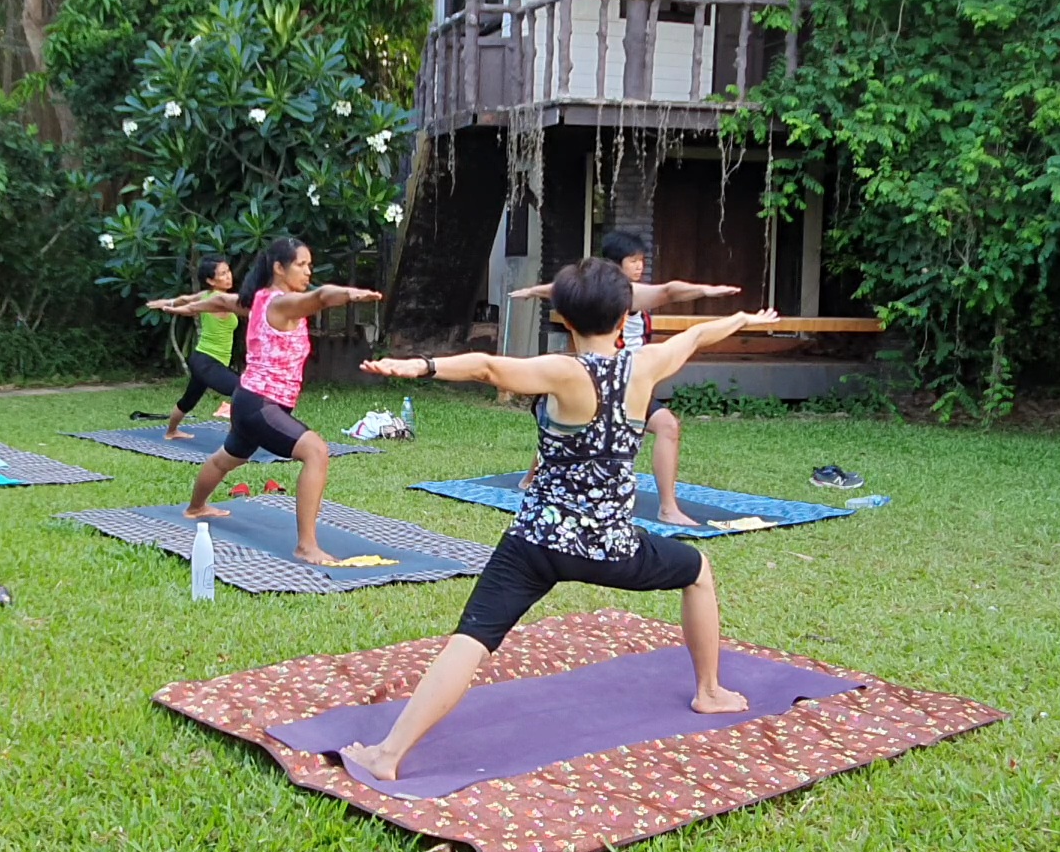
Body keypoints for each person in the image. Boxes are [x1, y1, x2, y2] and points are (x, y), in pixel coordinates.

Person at [341, 258, 777, 781]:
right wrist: (747, 320)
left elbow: (487, 367)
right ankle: (710, 691)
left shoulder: (562, 371)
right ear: (624, 319)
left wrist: (423, 366)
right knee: (698, 569)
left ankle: (388, 755)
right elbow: (703, 333)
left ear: (564, 321)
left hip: (535, 542)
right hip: (610, 547)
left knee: (471, 640)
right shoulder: (646, 364)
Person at [162, 236, 382, 565]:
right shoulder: (281, 303)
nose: (308, 271)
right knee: (316, 452)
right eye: (301, 265)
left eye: (310, 265)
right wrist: (351, 294)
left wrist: (185, 305)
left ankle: (196, 508)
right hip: (261, 405)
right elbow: (321, 297)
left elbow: (222, 302)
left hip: (250, 400)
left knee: (227, 459)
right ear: (279, 268)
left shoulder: (260, 298)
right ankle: (306, 545)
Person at [510, 230, 741, 526]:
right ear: (615, 264)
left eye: (641, 261)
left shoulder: (626, 292)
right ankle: (533, 477)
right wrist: (532, 292)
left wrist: (705, 291)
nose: (639, 267)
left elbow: (669, 291)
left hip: (627, 381)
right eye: (633, 261)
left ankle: (667, 507)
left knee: (657, 426)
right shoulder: (619, 296)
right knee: (569, 430)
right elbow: (564, 289)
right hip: (601, 380)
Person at [146, 255, 241, 440]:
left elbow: (185, 299)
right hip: (208, 361)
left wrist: (167, 303)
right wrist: (170, 308)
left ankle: (171, 432)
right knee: (242, 390)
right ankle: (236, 439)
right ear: (210, 280)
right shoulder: (220, 299)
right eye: (222, 274)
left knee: (190, 398)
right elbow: (188, 306)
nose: (228, 276)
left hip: (203, 359)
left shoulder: (207, 296)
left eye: (228, 271)